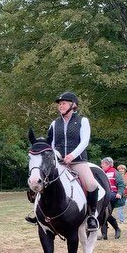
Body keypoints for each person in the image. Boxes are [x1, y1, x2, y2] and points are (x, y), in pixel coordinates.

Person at [25, 92, 100, 233]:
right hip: (59, 162)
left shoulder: (83, 121)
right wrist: (57, 157)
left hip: (78, 161)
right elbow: (51, 144)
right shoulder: (54, 124)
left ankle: (91, 216)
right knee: (42, 181)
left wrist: (72, 155)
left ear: (73, 105)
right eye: (59, 104)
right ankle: (38, 214)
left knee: (91, 184)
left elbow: (84, 142)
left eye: (63, 103)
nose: (60, 106)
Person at [100, 157, 125, 239]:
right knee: (104, 213)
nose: (101, 165)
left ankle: (115, 230)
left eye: (103, 164)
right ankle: (106, 234)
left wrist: (119, 193)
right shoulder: (101, 172)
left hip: (112, 195)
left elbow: (121, 184)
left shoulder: (115, 172)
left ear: (108, 164)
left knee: (104, 212)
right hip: (103, 195)